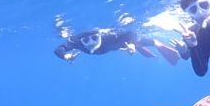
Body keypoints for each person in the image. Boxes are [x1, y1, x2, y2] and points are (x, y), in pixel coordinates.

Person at [53, 28, 187, 64]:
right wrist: (65, 56)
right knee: (131, 43)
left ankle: (154, 43)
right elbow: (58, 50)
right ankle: (137, 46)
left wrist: (133, 45)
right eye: (86, 41)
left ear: (99, 35)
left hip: (121, 42)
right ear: (80, 42)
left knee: (138, 40)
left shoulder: (109, 36)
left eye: (94, 38)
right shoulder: (76, 42)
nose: (91, 42)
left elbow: (131, 33)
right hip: (118, 46)